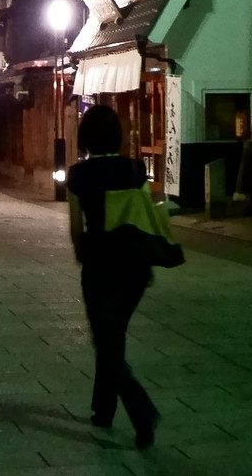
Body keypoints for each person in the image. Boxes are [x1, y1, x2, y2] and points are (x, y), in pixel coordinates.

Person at [67, 104, 161, 448]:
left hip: (100, 266)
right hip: (134, 268)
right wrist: (148, 264)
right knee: (113, 338)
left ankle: (141, 410)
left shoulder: (79, 175)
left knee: (106, 343)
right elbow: (145, 217)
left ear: (86, 138)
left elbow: (76, 226)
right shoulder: (136, 170)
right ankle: (103, 409)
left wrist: (81, 254)